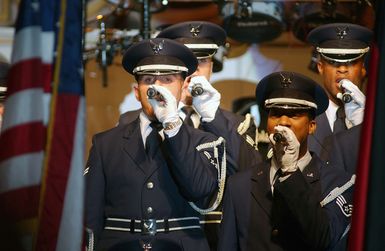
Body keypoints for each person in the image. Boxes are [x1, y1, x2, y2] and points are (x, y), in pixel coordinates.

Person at [85, 38, 228, 251]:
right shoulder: (105, 144)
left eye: (168, 80)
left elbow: (198, 190)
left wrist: (172, 124)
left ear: (183, 87)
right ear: (137, 91)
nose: (158, 89)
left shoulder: (205, 141)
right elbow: (90, 215)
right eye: (149, 80)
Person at [218, 71, 355, 251]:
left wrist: (291, 172)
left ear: (312, 126)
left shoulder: (339, 183)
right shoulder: (239, 184)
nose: (283, 122)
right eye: (275, 114)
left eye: (294, 115)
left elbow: (323, 238)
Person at [306, 23, 372, 161]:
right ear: (320, 67)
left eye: (351, 62)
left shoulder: (376, 121)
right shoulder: (303, 120)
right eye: (333, 62)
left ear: (363, 69)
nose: (342, 69)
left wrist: (363, 127)